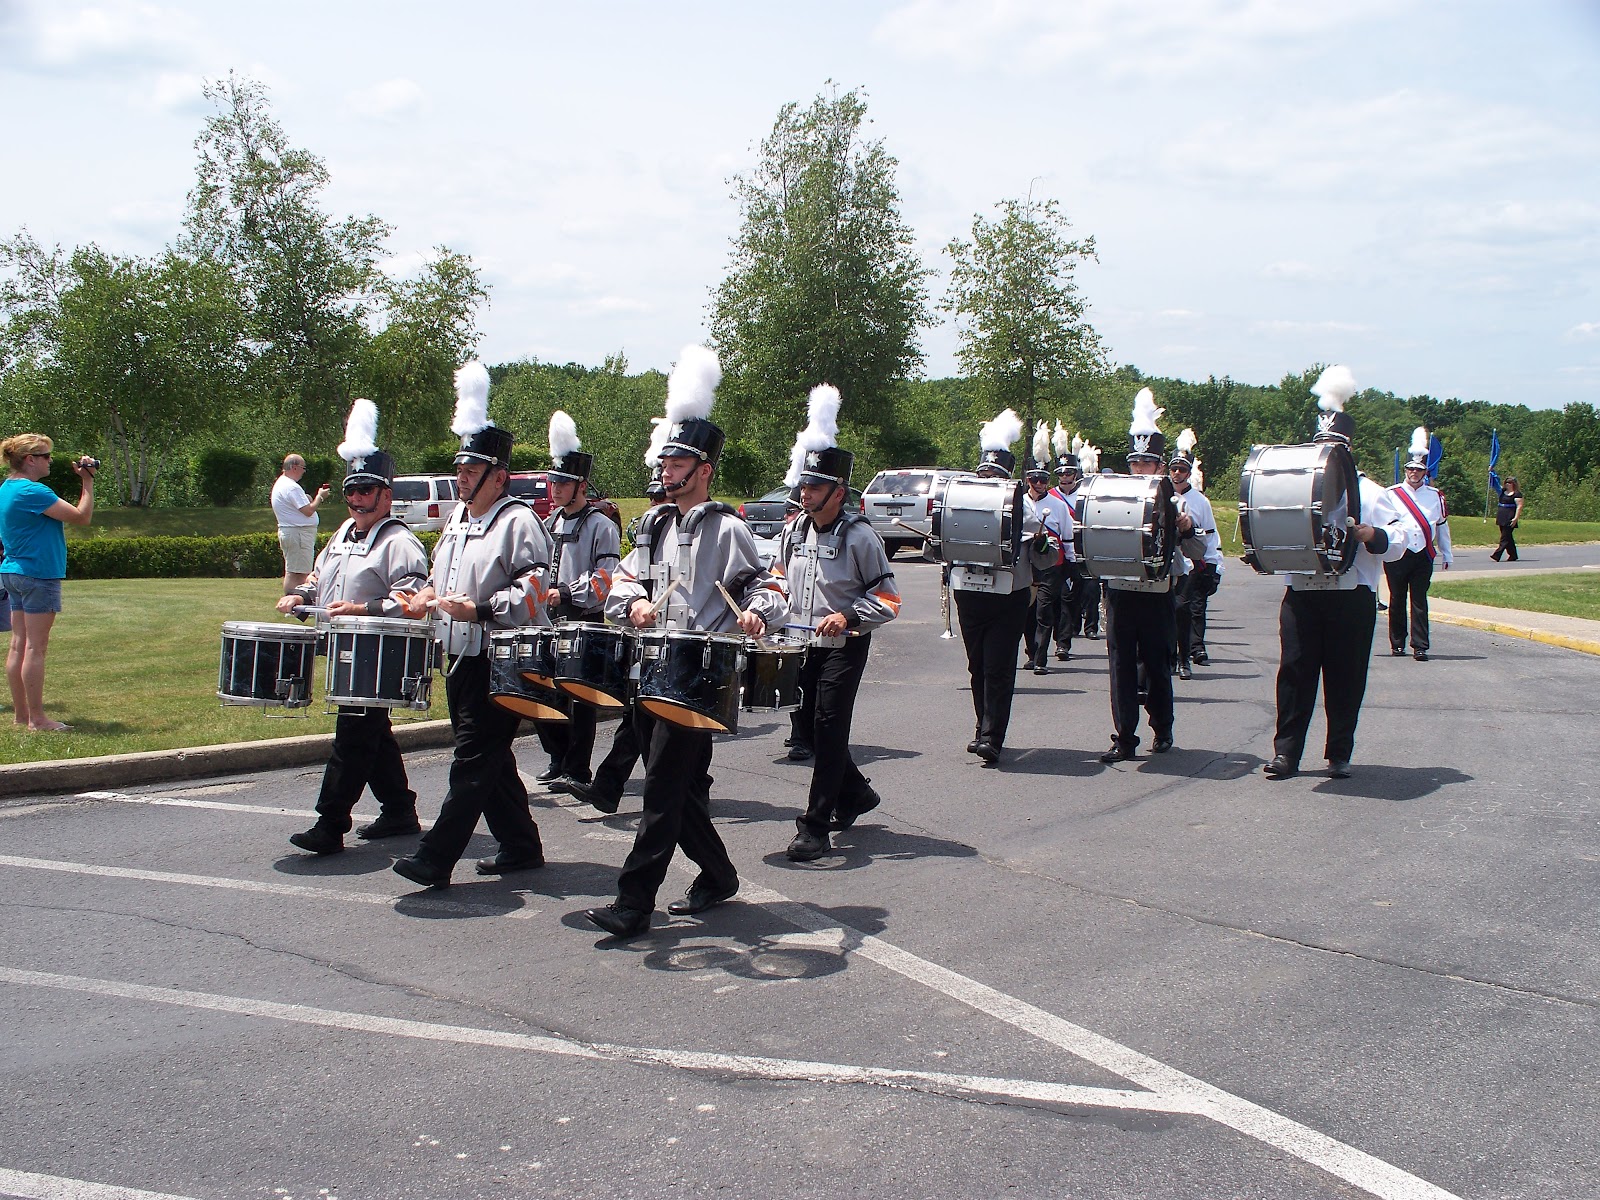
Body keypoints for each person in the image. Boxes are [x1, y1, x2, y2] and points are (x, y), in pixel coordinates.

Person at [585, 345, 787, 939]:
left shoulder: (729, 528)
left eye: (677, 463)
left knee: (663, 792)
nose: (666, 470)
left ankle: (632, 903)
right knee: (678, 787)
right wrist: (633, 601)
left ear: (703, 470)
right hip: (652, 669)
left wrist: (756, 612)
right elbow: (621, 581)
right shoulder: (652, 524)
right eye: (665, 459)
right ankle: (720, 874)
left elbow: (767, 587)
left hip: (702, 677)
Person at [391, 362, 555, 887]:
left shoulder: (518, 520)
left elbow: (535, 589)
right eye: (459, 469)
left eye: (469, 470)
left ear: (498, 476)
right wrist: (425, 598)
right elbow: (442, 580)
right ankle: (521, 844)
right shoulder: (459, 519)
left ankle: (436, 857)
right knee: (490, 759)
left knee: (472, 759)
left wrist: (481, 610)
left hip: (505, 658)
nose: (460, 477)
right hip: (461, 655)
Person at [279, 401, 430, 854]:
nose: (357, 498)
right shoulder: (344, 531)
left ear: (385, 495)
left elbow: (410, 599)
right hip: (344, 650)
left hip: (380, 654)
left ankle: (330, 824)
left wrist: (362, 609)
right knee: (372, 734)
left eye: (366, 490)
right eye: (352, 490)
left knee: (353, 737)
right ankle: (400, 809)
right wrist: (302, 596)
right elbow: (318, 577)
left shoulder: (401, 540)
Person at [775, 385, 901, 862]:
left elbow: (888, 599)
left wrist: (846, 615)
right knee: (807, 728)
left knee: (829, 728)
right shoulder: (793, 531)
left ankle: (816, 825)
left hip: (843, 647)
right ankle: (858, 795)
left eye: (814, 487)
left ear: (838, 492)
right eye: (803, 487)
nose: (805, 494)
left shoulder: (861, 537)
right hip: (799, 644)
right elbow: (777, 580)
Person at [1265, 366, 1408, 779]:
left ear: (1346, 450)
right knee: (1294, 673)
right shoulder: (1295, 488)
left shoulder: (1372, 491)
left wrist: (1370, 534)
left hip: (1351, 595)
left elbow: (1403, 538)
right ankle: (1286, 754)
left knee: (1345, 678)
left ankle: (1338, 753)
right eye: (1321, 446)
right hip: (1304, 592)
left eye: (1333, 447)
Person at [1100, 389, 1192, 763]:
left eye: (1147, 464)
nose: (1140, 470)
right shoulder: (1114, 495)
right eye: (1135, 463)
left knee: (1156, 664)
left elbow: (1199, 552)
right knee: (1121, 666)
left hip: (1157, 591)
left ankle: (1163, 726)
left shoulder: (1180, 500)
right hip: (1121, 590)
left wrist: (1184, 529)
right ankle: (1124, 736)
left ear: (1159, 466)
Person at [570, 465, 667, 816]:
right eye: (653, 497)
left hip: (679, 645)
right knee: (637, 716)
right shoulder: (650, 532)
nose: (655, 503)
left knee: (646, 722)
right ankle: (609, 788)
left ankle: (615, 787)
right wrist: (632, 602)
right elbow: (622, 579)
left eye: (661, 496)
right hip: (645, 640)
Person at [534, 411, 621, 794]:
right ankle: (558, 758)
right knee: (539, 689)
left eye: (563, 482)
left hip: (584, 618)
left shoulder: (601, 525)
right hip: (548, 617)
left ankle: (578, 769)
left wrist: (567, 592)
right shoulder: (548, 521)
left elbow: (606, 578)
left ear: (580, 485)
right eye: (553, 480)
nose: (555, 488)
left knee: (579, 696)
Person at [950, 409, 1038, 767]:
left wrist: (1042, 542)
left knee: (999, 666)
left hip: (1008, 595)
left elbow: (1045, 558)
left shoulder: (1025, 506)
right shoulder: (962, 502)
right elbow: (935, 547)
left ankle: (992, 737)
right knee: (977, 665)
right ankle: (981, 725)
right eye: (984, 472)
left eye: (996, 475)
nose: (988, 479)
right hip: (970, 594)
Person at [0, 435, 96, 732]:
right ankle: (38, 719)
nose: (50, 460)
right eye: (45, 456)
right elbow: (81, 517)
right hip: (38, 574)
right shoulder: (33, 491)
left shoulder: (7, 488)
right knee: (35, 649)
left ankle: (21, 715)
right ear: (30, 459)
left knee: (19, 644)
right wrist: (88, 482)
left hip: (13, 572)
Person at [1384, 426, 1453, 662]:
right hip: (1398, 554)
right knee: (1396, 598)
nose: (1414, 473)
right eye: (1410, 469)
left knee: (1419, 600)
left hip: (1423, 554)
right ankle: (1397, 643)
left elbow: (1441, 526)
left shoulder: (1435, 496)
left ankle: (1420, 645)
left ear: (1425, 472)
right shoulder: (1391, 494)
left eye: (1418, 470)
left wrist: (1447, 553)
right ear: (1405, 470)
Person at [1168, 430, 1223, 675]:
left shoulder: (1200, 501)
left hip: (1189, 564)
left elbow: (1210, 537)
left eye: (1182, 469)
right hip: (1163, 563)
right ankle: (1168, 658)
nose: (1177, 473)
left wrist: (1215, 566)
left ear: (1189, 473)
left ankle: (1184, 658)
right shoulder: (1160, 493)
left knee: (1185, 610)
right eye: (1174, 468)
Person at [1022, 427, 1074, 676]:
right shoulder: (1017, 503)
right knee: (1026, 612)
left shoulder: (1058, 506)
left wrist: (1072, 567)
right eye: (1035, 480)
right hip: (1024, 564)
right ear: (1027, 480)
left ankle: (1041, 657)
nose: (1040, 484)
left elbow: (1067, 538)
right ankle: (1032, 652)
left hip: (1051, 565)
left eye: (1044, 480)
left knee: (1044, 611)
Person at [1052, 445, 1094, 653]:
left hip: (1080, 553)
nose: (1065, 477)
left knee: (1077, 597)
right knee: (1058, 600)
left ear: (1076, 474)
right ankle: (1061, 639)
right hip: (1056, 556)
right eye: (1061, 473)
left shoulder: (1085, 496)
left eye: (1069, 472)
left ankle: (1068, 637)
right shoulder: (1051, 496)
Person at [271, 454, 332, 593]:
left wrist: (310, 498)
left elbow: (302, 503)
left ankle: (293, 604)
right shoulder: (291, 487)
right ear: (294, 467)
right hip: (298, 534)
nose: (304, 471)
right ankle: (294, 604)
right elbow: (308, 510)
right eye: (303, 468)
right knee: (298, 574)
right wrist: (320, 497)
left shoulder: (283, 483)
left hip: (293, 533)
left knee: (294, 571)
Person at [1491, 477, 1523, 562]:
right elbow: (1495, 483)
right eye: (1506, 482)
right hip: (1502, 516)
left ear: (1514, 484)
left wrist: (1516, 518)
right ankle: (1513, 555)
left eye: (1509, 482)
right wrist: (1492, 472)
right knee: (1508, 537)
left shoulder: (1516, 494)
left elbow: (1519, 506)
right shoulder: (1502, 492)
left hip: (1510, 516)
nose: (1507, 484)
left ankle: (1497, 554)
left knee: (1504, 537)